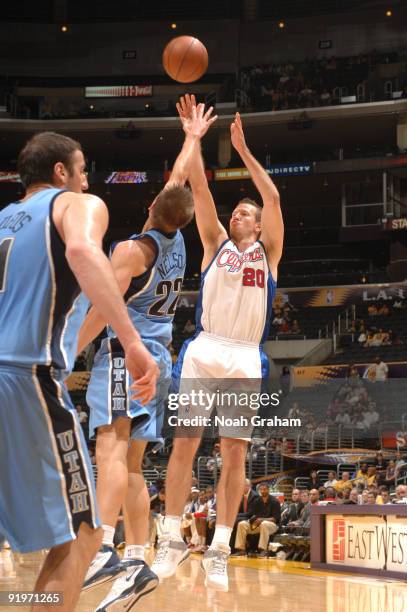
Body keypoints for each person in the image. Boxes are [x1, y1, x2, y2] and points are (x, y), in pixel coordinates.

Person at [0, 132, 158, 612]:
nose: (88, 178)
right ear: (61, 173)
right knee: (86, 528)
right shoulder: (76, 204)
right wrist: (132, 342)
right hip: (26, 375)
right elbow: (83, 254)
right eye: (83, 168)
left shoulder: (3, 220)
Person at [76, 105, 216, 610]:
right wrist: (192, 136)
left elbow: (104, 308)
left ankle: (97, 551)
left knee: (108, 455)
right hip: (161, 359)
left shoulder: (133, 251)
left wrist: (68, 350)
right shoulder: (175, 239)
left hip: (124, 358)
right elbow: (179, 178)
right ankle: (136, 558)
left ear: (154, 209)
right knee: (133, 465)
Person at [151, 95, 283, 591]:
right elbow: (199, 187)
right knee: (183, 445)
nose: (238, 216)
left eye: (245, 213)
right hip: (205, 350)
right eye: (236, 212)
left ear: (260, 226)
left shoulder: (269, 255)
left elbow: (272, 200)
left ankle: (221, 548)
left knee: (233, 457)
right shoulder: (214, 245)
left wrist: (245, 152)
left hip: (245, 358)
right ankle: (170, 539)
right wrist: (194, 137)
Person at [234, 483, 281, 558]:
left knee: (264, 523)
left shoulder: (275, 501)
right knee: (242, 524)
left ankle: (263, 550)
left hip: (273, 526)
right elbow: (253, 514)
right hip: (259, 525)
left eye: (264, 489)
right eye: (261, 489)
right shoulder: (257, 500)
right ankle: (241, 550)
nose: (262, 491)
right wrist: (252, 520)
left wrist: (261, 519)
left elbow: (275, 519)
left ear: (268, 490)